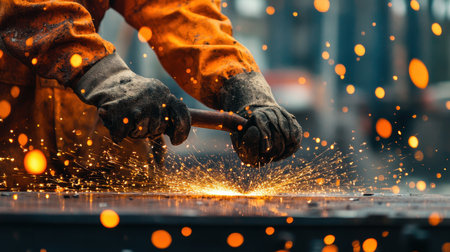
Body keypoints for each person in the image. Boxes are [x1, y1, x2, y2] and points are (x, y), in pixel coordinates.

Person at [0, 0, 302, 190]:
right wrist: (111, 79)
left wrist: (241, 85)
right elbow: (25, 8)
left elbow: (178, 9)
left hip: (80, 135)